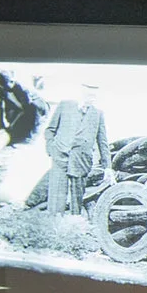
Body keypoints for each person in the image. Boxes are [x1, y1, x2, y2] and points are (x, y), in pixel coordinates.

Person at [44, 86, 108, 218]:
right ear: (80, 94)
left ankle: (75, 222)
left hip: (81, 160)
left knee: (77, 198)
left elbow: (103, 142)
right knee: (56, 195)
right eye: (88, 95)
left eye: (93, 97)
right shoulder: (65, 105)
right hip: (60, 156)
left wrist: (108, 167)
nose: (90, 99)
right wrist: (51, 148)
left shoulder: (98, 114)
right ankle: (54, 222)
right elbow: (50, 130)